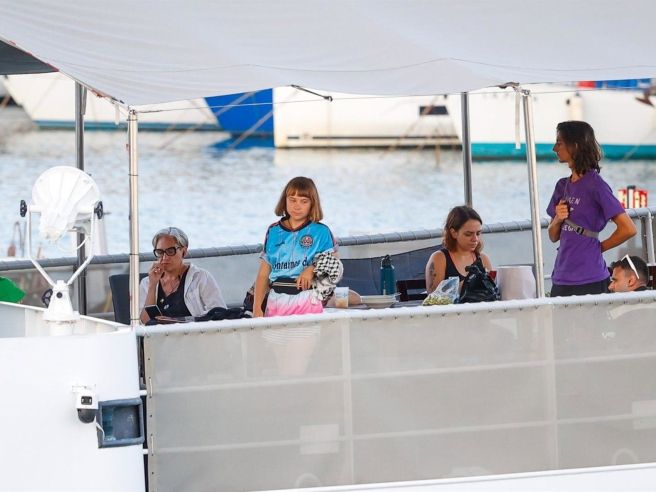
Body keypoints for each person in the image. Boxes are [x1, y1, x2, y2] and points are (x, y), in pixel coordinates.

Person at [547, 121, 636, 296]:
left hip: (590, 278)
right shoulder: (561, 186)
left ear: (575, 146)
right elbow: (553, 236)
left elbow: (628, 228)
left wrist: (599, 248)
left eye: (559, 143)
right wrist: (557, 219)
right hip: (560, 278)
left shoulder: (596, 185)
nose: (554, 148)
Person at [254, 176, 339, 317]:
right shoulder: (273, 231)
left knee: (307, 332)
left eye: (303, 201)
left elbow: (334, 263)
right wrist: (257, 309)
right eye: (292, 200)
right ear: (284, 201)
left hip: (308, 299)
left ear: (312, 203)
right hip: (276, 301)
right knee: (275, 332)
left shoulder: (321, 231)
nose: (297, 206)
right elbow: (263, 274)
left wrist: (311, 269)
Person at [139, 227, 226, 323]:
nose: (164, 257)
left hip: (194, 332)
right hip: (159, 333)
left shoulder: (201, 278)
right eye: (160, 252)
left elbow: (220, 314)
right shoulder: (147, 283)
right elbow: (144, 322)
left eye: (170, 251)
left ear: (184, 251)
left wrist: (177, 321)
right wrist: (152, 286)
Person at [424, 205, 493, 294]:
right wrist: (467, 284)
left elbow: (493, 292)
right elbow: (433, 295)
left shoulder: (483, 259)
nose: (475, 239)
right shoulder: (439, 258)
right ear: (453, 233)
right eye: (468, 234)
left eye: (478, 233)